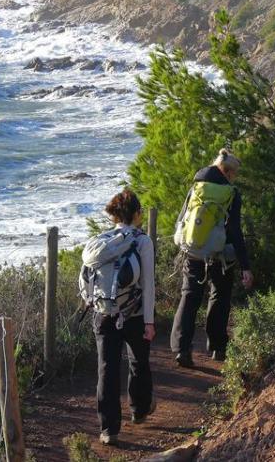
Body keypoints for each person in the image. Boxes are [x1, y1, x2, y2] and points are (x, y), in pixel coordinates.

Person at [80, 189, 156, 446]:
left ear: (114, 215)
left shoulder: (99, 243)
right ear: (136, 214)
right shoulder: (142, 241)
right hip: (133, 313)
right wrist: (149, 321)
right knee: (138, 361)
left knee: (106, 369)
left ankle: (108, 429)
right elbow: (148, 285)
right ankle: (139, 410)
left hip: (103, 314)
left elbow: (86, 281)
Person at [170, 148, 253, 367]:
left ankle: (181, 349)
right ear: (228, 172)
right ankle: (217, 347)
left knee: (189, 296)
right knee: (220, 295)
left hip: (194, 250)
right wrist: (245, 265)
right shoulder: (230, 193)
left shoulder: (197, 185)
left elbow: (182, 216)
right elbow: (234, 230)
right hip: (221, 253)